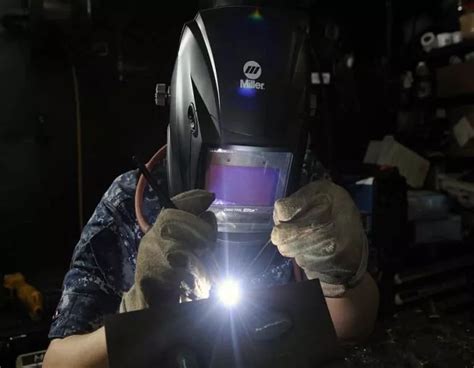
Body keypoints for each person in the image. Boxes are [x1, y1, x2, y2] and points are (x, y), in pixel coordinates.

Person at [43, 4, 379, 368]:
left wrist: (340, 276)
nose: (240, 201)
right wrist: (138, 315)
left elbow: (350, 327)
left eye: (265, 172)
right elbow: (58, 363)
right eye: (224, 168)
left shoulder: (308, 191)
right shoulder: (130, 201)